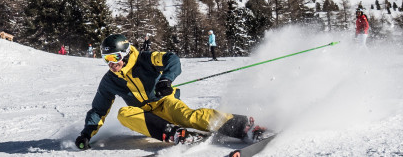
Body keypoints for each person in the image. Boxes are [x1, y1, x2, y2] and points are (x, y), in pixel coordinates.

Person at [74, 34, 264, 150]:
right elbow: (98, 110)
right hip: (145, 115)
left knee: (188, 117)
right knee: (124, 114)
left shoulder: (145, 59)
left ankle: (244, 126)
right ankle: (173, 133)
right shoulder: (109, 80)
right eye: (106, 59)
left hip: (165, 102)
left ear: (124, 53)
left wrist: (166, 79)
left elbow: (172, 59)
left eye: (114, 57)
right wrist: (86, 134)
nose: (111, 64)